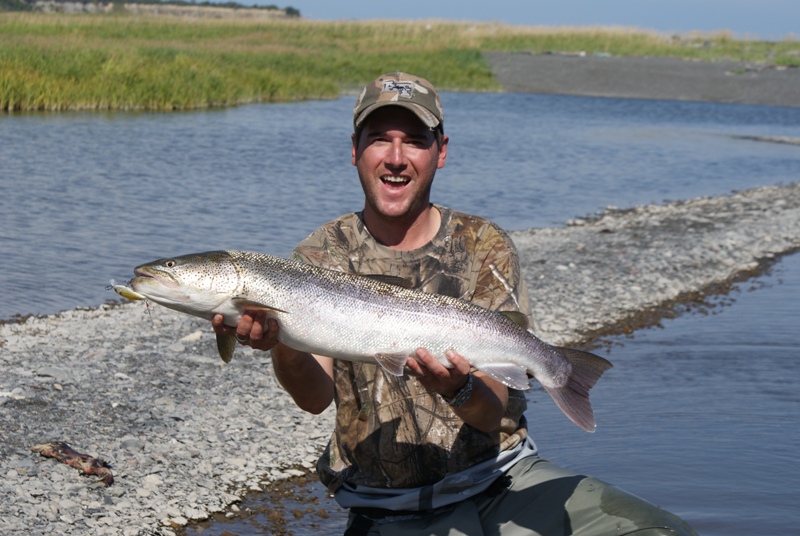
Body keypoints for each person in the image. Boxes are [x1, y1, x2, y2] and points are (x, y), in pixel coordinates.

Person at [213, 72, 697, 536]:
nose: (396, 157)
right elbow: (314, 399)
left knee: (658, 531)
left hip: (502, 481)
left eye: (415, 140)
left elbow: (491, 412)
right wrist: (283, 343)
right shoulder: (319, 256)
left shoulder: (484, 245)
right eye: (380, 138)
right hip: (388, 508)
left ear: (440, 153)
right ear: (355, 151)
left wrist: (459, 389)